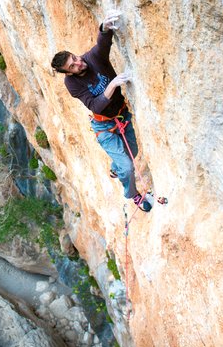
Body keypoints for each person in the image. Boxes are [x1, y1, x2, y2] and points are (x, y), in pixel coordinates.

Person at [51, 11, 153, 212]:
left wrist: (104, 28)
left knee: (132, 154)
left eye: (75, 57)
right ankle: (133, 195)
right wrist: (112, 85)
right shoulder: (72, 84)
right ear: (68, 72)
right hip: (104, 126)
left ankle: (115, 168)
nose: (79, 62)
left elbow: (102, 45)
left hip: (122, 115)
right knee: (128, 167)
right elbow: (95, 106)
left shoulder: (92, 58)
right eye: (73, 65)